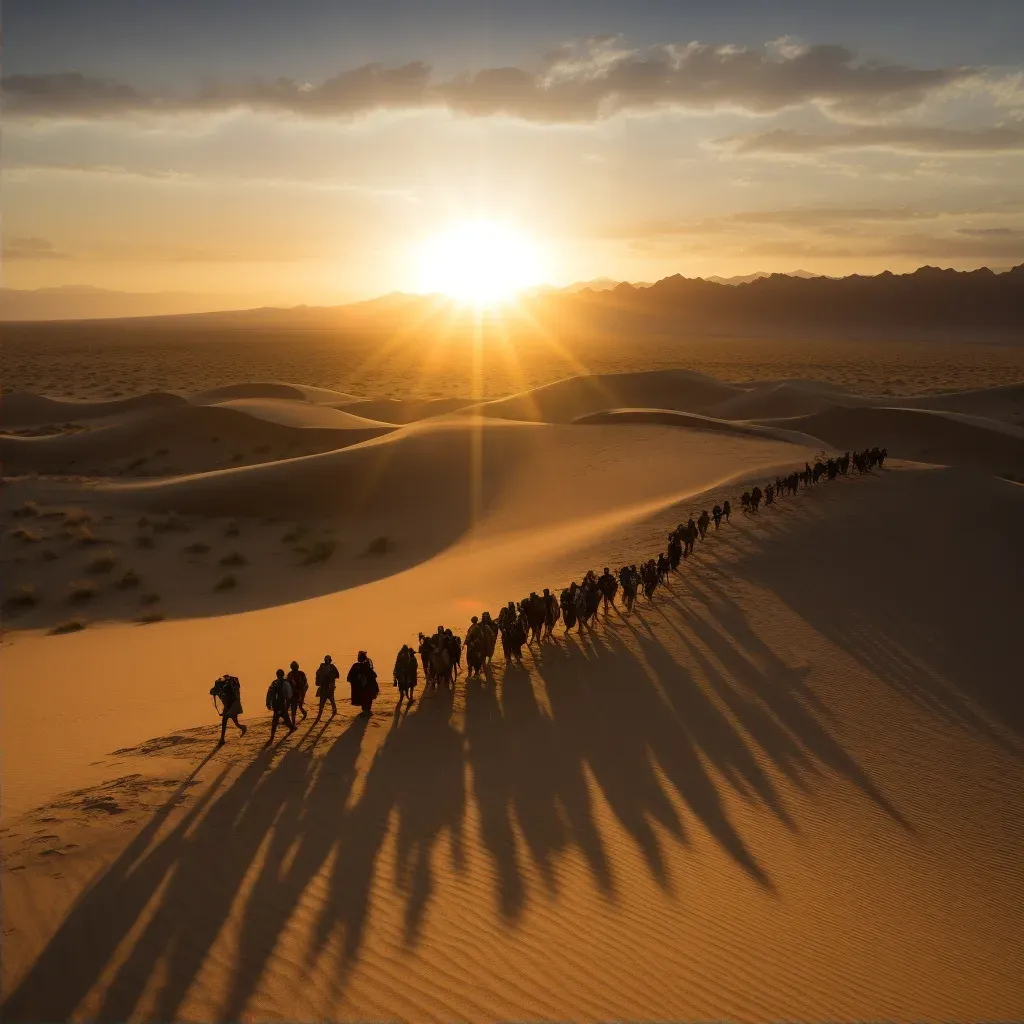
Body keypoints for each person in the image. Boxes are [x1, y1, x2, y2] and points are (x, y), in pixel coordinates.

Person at [212, 674, 247, 747]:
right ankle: (243, 728)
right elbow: (212, 691)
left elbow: (235, 690)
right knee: (235, 722)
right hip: (228, 707)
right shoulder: (222, 687)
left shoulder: (231, 685)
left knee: (225, 719)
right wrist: (217, 685)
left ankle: (222, 739)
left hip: (233, 706)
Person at [266, 668, 295, 745]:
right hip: (282, 705)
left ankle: (272, 737)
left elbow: (269, 693)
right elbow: (289, 695)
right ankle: (292, 729)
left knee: (276, 721)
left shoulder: (274, 683)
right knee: (284, 720)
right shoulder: (285, 683)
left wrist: (268, 703)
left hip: (277, 705)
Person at [348, 651, 379, 715]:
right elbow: (350, 676)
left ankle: (366, 710)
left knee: (366, 698)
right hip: (361, 686)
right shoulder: (357, 666)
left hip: (366, 686)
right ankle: (366, 710)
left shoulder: (363, 666)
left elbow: (373, 675)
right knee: (364, 698)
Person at [313, 654, 339, 723]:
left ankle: (334, 710)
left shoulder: (332, 667)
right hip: (323, 687)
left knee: (331, 699)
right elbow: (318, 674)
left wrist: (330, 675)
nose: (326, 661)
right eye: (326, 659)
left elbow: (337, 675)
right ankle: (319, 715)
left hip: (329, 687)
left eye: (327, 660)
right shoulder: (322, 666)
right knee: (322, 701)